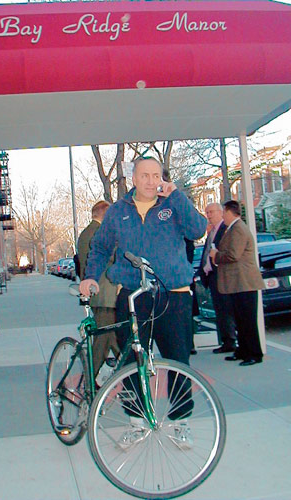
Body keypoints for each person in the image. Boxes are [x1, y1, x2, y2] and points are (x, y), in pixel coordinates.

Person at [80, 156, 207, 447]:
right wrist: (90, 277)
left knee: (178, 359)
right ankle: (136, 422)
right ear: (133, 178)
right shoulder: (117, 213)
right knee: (131, 361)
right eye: (145, 176)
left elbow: (198, 229)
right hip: (134, 297)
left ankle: (180, 421)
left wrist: (176, 196)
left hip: (172, 296)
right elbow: (99, 248)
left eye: (156, 175)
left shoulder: (173, 205)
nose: (151, 181)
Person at [209, 200, 264, 366]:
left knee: (247, 320)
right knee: (240, 320)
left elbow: (234, 254)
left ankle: (254, 354)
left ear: (229, 212)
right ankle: (243, 350)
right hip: (237, 284)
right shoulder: (231, 228)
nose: (222, 216)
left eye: (223, 212)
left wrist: (216, 255)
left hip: (244, 283)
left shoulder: (238, 228)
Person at [78, 200, 120, 378]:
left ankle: (129, 370)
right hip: (105, 293)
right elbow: (111, 256)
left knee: (112, 337)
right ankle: (91, 378)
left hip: (101, 293)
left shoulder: (87, 232)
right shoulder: (98, 232)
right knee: (103, 340)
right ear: (105, 214)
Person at [198, 203, 237, 353]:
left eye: (212, 212)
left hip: (222, 275)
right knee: (219, 310)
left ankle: (230, 341)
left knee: (226, 309)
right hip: (212, 276)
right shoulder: (212, 231)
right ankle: (225, 340)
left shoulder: (225, 230)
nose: (209, 215)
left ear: (221, 213)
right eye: (207, 212)